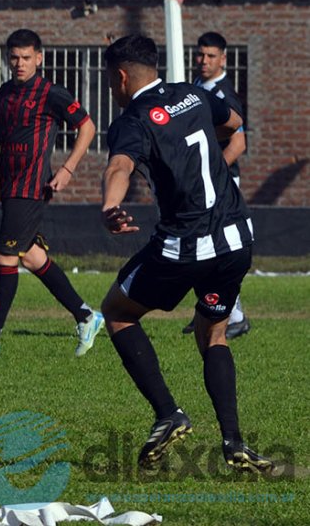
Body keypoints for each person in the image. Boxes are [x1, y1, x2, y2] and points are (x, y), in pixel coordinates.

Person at [99, 34, 273, 473]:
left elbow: (120, 165)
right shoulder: (193, 95)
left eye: (109, 80)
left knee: (117, 311)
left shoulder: (133, 119)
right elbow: (234, 123)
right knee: (213, 334)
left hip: (186, 245)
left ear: (121, 77)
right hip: (237, 239)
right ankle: (234, 442)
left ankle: (168, 413)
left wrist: (110, 205)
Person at [0, 28, 104, 361]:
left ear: (39, 58)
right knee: (33, 257)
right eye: (14, 58)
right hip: (9, 185)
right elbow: (4, 132)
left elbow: (88, 126)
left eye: (26, 57)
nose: (20, 63)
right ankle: (85, 315)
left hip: (31, 187)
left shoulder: (52, 93)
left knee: (5, 256)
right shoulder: (6, 91)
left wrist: (67, 169)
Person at [182, 31, 250, 339]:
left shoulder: (224, 95)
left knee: (219, 249)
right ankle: (209, 311)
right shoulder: (198, 86)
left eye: (211, 56)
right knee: (203, 247)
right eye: (200, 54)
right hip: (204, 183)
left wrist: (210, 173)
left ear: (223, 59)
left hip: (220, 183)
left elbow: (238, 143)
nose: (204, 60)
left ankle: (234, 316)